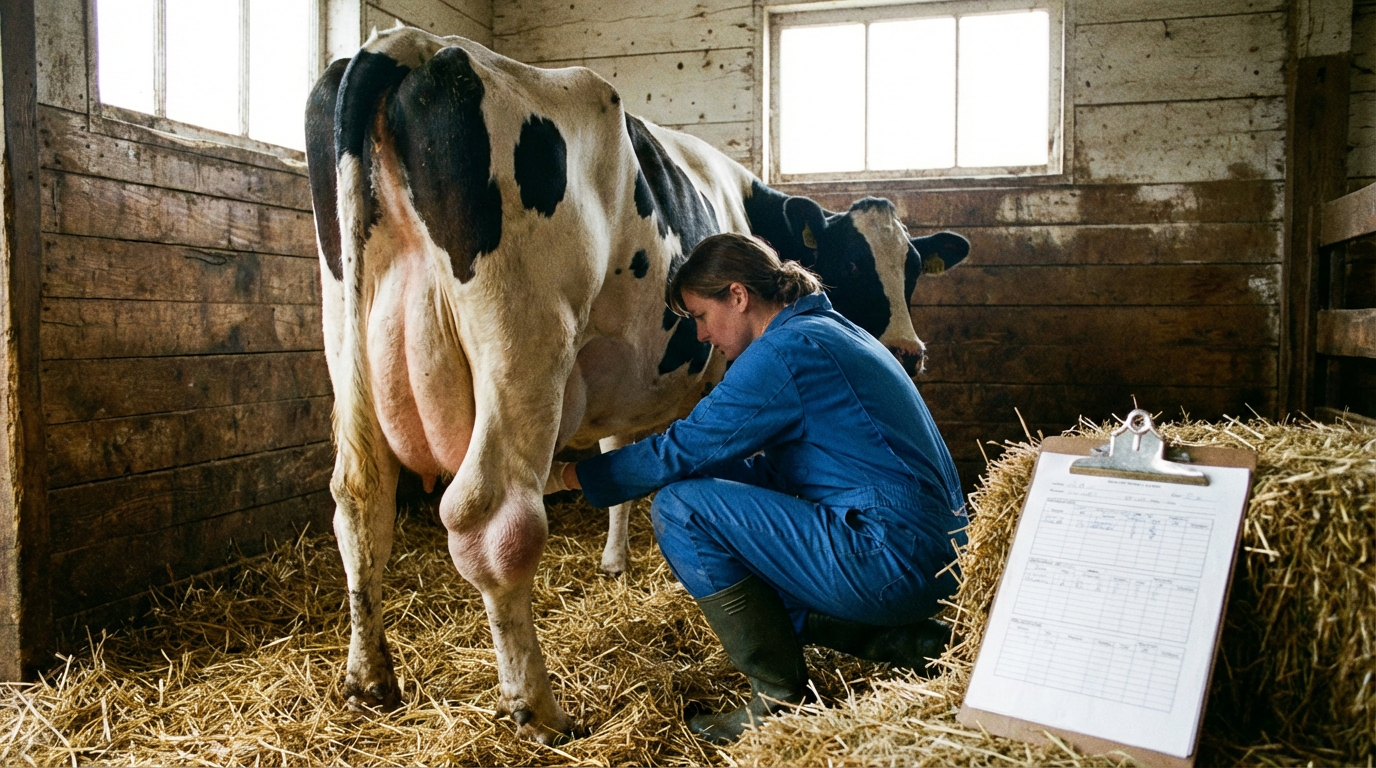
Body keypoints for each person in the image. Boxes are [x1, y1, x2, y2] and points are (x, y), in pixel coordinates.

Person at [550, 232, 968, 744]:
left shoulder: (785, 352)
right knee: (705, 494)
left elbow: (680, 450)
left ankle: (776, 699)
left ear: (738, 296)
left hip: (891, 557)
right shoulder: (829, 331)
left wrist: (563, 477)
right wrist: (698, 466)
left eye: (702, 316)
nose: (701, 335)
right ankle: (905, 641)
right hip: (934, 560)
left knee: (682, 508)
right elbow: (777, 473)